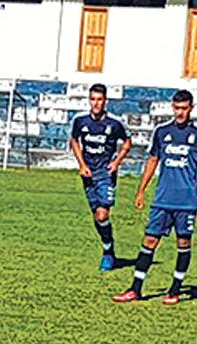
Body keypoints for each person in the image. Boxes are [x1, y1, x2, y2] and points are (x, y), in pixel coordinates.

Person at [113, 90, 197, 305]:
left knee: (183, 242)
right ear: (172, 108)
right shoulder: (162, 132)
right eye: (177, 108)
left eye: (184, 108)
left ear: (191, 108)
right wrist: (141, 190)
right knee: (149, 240)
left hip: (186, 201)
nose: (180, 113)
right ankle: (135, 288)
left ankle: (175, 289)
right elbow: (152, 160)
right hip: (162, 199)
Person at [69, 84, 133, 271]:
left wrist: (116, 162)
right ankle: (108, 246)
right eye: (93, 99)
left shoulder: (114, 124)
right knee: (97, 217)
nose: (96, 103)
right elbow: (74, 140)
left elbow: (127, 142)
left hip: (105, 174)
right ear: (89, 100)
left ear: (105, 101)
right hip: (88, 174)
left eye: (99, 99)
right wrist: (81, 164)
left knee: (102, 213)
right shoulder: (80, 121)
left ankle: (107, 251)